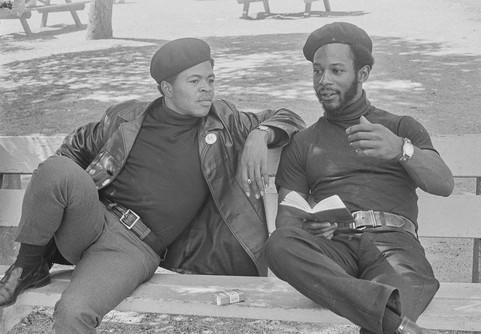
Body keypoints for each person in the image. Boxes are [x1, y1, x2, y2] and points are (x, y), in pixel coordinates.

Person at [0, 38, 305, 333]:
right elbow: (76, 147)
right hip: (91, 217)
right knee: (56, 168)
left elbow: (290, 117)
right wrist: (63, 203)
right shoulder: (126, 117)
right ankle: (28, 265)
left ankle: (38, 267)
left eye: (211, 80)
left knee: (74, 312)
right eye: (195, 81)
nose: (206, 90)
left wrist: (259, 133)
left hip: (133, 249)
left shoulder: (224, 121)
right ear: (167, 88)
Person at [264, 22, 454, 334]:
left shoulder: (400, 127)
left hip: (394, 247)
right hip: (336, 247)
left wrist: (399, 150)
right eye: (317, 71)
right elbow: (287, 221)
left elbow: (444, 184)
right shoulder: (303, 142)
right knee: (279, 245)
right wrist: (311, 225)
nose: (324, 80)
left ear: (362, 74)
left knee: (395, 289)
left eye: (336, 71)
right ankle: (396, 324)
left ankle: (388, 318)